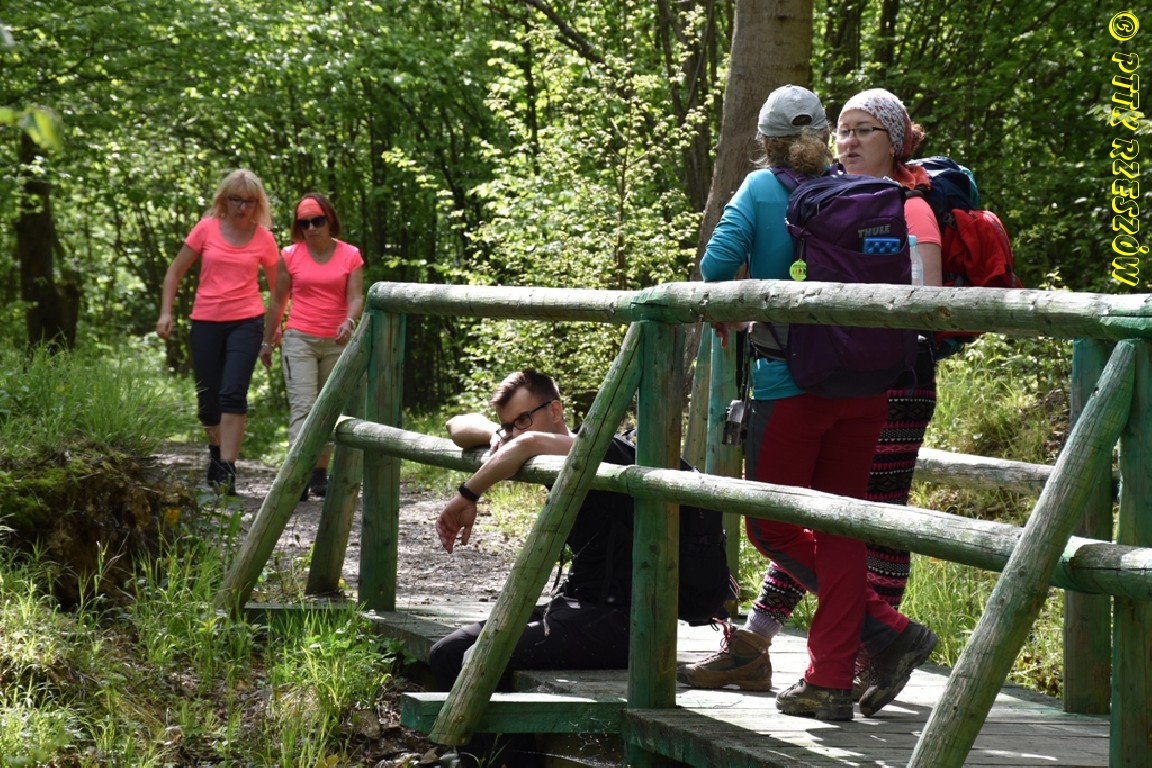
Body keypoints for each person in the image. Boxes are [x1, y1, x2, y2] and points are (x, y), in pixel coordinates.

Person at [684, 88, 945, 702]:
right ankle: (828, 682)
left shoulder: (761, 189)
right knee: (841, 528)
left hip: (791, 383)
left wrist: (747, 299)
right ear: (825, 134)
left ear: (764, 140)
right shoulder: (854, 190)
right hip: (866, 383)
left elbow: (715, 268)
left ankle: (888, 631)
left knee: (770, 526)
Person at [428, 369, 635, 767]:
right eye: (509, 424)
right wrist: (497, 435)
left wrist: (467, 495)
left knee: (482, 657)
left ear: (555, 410)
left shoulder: (600, 448)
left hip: (625, 623)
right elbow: (457, 425)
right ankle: (491, 761)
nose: (515, 432)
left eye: (523, 419)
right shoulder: (528, 441)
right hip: (577, 608)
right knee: (445, 653)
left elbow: (529, 443)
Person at [156, 169, 279, 496]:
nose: (243, 207)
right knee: (208, 403)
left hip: (246, 322)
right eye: (236, 199)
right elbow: (174, 272)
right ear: (224, 200)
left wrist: (275, 327)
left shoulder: (264, 238)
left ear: (258, 204)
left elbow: (278, 287)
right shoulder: (206, 229)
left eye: (250, 201)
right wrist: (166, 312)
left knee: (233, 394)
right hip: (206, 321)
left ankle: (227, 468)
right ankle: (216, 451)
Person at [259, 194, 364, 501]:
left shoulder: (350, 255)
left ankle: (319, 473)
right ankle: (297, 477)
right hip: (299, 339)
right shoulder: (290, 255)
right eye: (304, 223)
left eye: (317, 221)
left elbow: (356, 296)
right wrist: (267, 341)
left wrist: (349, 321)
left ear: (329, 220)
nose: (311, 228)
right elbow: (278, 301)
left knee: (328, 408)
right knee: (303, 408)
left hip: (336, 340)